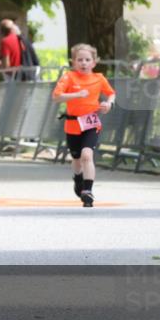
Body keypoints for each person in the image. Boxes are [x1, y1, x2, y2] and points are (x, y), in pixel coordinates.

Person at [52, 44, 116, 207]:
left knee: (87, 155)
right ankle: (78, 177)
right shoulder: (69, 77)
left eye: (87, 60)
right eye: (79, 60)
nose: (84, 63)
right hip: (73, 125)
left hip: (91, 123)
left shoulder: (99, 78)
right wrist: (76, 95)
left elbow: (111, 93)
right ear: (73, 62)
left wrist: (109, 104)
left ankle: (87, 191)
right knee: (77, 159)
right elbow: (56, 97)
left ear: (94, 62)